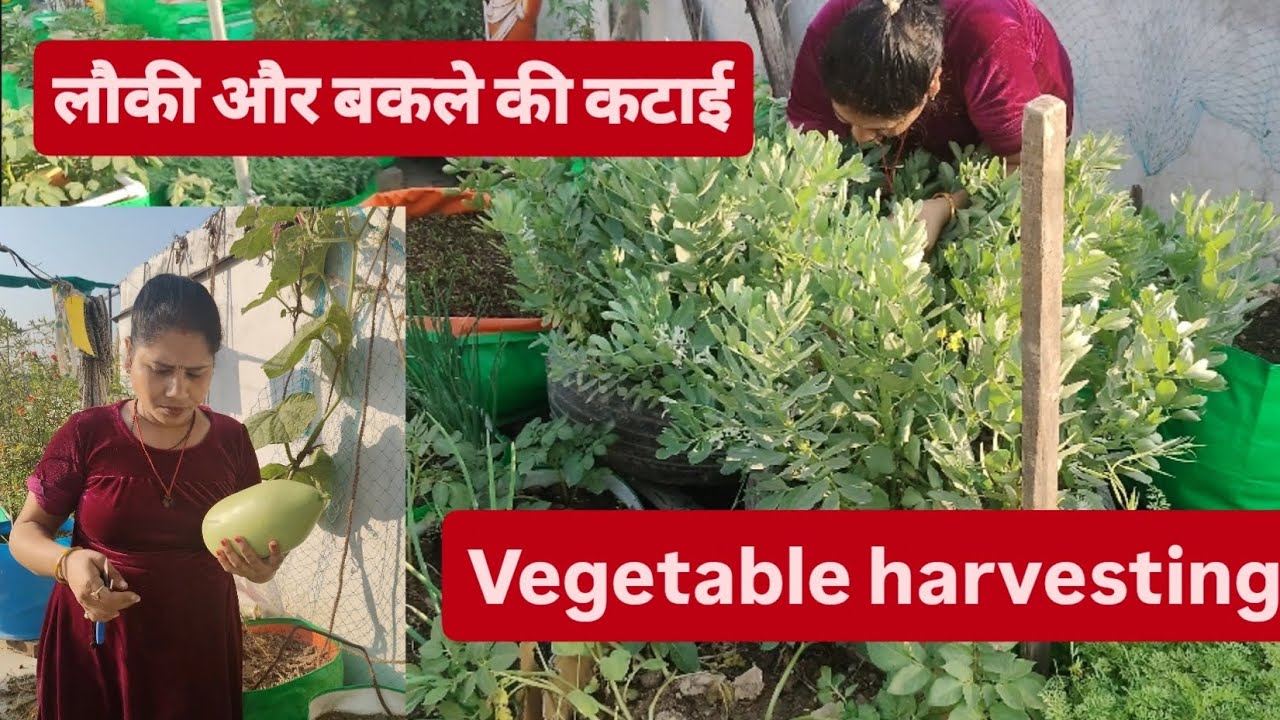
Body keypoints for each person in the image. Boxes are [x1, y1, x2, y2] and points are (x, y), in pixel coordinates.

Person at [8, 273, 288, 720]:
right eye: (160, 370)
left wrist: (264, 562)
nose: (178, 391)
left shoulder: (232, 441)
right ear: (127, 356)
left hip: (197, 643)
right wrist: (67, 562)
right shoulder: (87, 434)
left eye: (196, 373)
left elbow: (252, 533)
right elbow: (26, 532)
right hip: (97, 639)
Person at [788, 0, 1075, 249]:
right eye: (845, 119)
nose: (861, 138)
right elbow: (808, 128)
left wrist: (945, 207)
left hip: (1012, 114)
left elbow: (1026, 164)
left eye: (881, 129)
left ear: (935, 83)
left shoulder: (988, 41)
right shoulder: (836, 28)